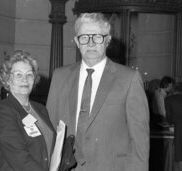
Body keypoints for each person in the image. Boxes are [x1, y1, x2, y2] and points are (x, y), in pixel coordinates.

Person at [47, 13, 149, 171]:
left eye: (97, 37)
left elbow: (139, 141)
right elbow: (50, 130)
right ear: (76, 42)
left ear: (107, 41)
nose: (91, 43)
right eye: (84, 37)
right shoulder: (60, 76)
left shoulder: (129, 79)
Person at [0, 50, 56, 171]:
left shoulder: (40, 109)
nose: (24, 79)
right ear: (8, 79)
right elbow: (19, 158)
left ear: (34, 79)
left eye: (29, 74)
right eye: (18, 75)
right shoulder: (3, 111)